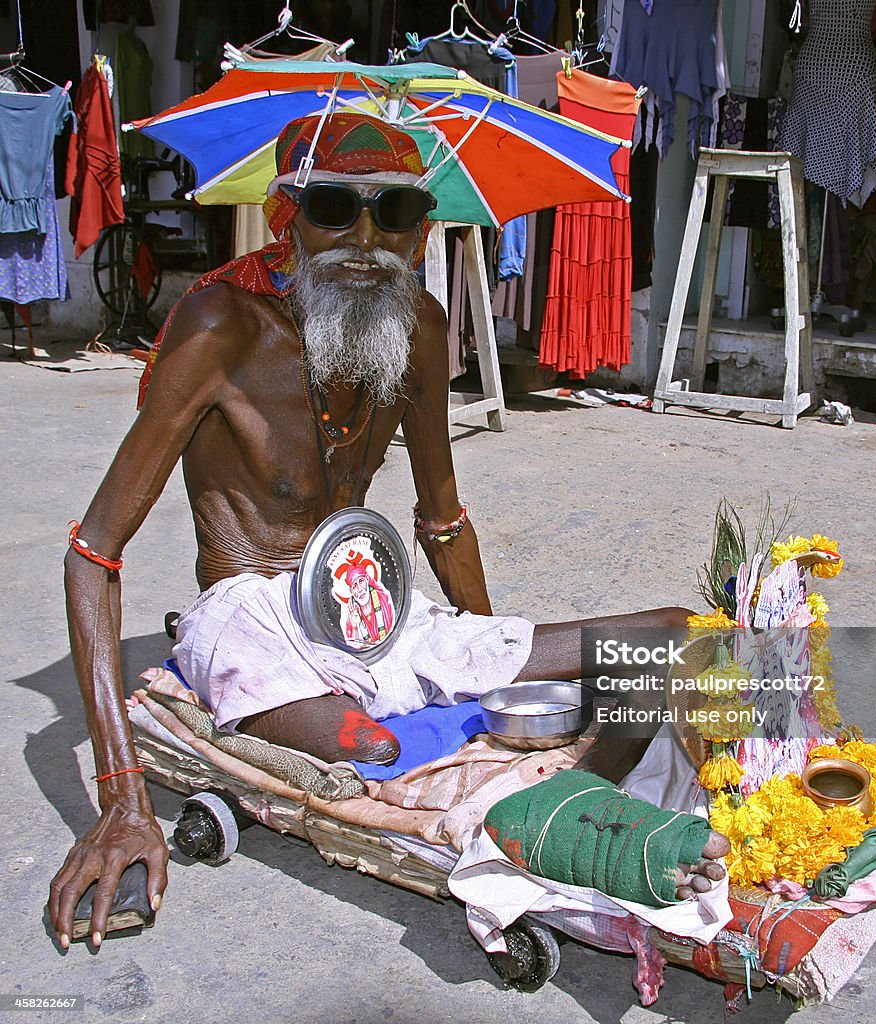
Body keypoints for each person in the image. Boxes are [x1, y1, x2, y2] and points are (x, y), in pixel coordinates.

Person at [50, 111, 728, 951]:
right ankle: (542, 791)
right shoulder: (220, 327)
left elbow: (441, 521)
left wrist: (494, 654)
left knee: (674, 638)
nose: (366, 238)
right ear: (283, 217)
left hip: (377, 607)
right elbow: (93, 555)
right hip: (253, 619)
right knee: (369, 746)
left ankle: (556, 797)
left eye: (396, 214)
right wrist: (122, 799)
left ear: (423, 230)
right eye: (335, 208)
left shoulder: (421, 327)